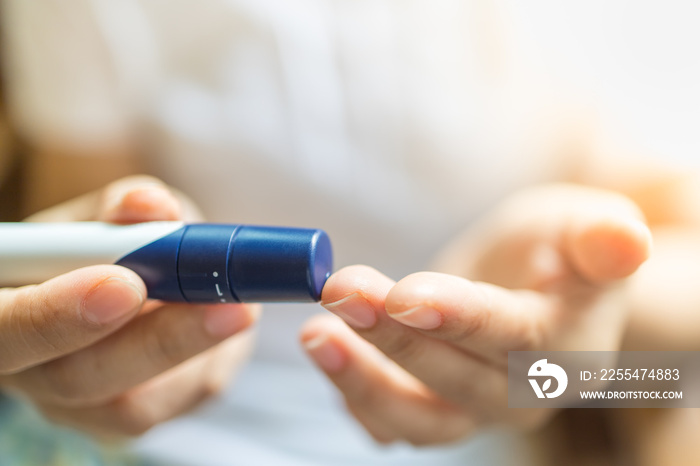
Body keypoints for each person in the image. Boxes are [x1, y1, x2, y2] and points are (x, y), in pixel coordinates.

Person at [1, 1, 699, 465]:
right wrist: (95, 357)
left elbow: (683, 344)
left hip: (519, 432)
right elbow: (82, 242)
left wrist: (571, 351)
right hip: (189, 437)